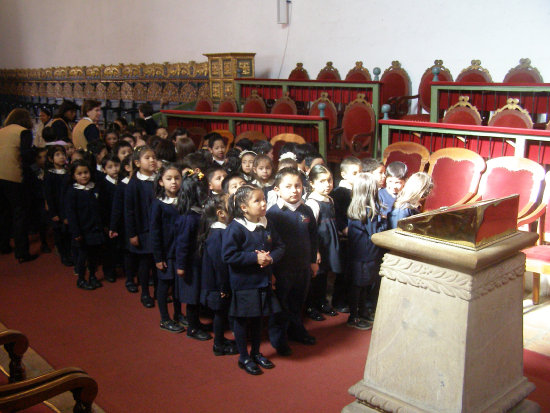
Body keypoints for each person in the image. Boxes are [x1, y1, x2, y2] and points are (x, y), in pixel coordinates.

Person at [222, 185, 284, 375]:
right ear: (243, 207)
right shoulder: (236, 228)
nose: (263, 203)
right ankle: (244, 356)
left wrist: (271, 258)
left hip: (263, 281)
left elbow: (281, 246)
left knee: (258, 319)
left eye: (263, 199)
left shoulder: (267, 222)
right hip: (244, 283)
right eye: (257, 201)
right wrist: (254, 258)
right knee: (242, 321)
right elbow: (228, 255)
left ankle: (256, 352)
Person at [267, 167, 318, 355]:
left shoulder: (307, 211)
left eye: (298, 185)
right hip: (282, 269)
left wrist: (313, 260)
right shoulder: (273, 214)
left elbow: (313, 237)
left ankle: (297, 331)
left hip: (302, 266)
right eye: (288, 186)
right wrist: (270, 272)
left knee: (298, 302)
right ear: (277, 190)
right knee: (281, 304)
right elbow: (269, 245)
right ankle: (278, 339)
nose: (294, 190)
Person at [346, 173, 388, 329]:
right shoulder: (369, 211)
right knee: (359, 287)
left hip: (360, 255)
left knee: (360, 286)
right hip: (365, 256)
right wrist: (383, 221)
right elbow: (375, 234)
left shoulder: (357, 208)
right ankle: (354, 317)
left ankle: (360, 313)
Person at [198, 195, 238, 356]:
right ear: (221, 213)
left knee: (222, 312)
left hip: (220, 283)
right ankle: (218, 345)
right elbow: (219, 263)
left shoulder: (221, 231)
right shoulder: (216, 234)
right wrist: (224, 285)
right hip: (217, 285)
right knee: (220, 314)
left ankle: (220, 339)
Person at [175, 172, 211, 341]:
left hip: (199, 261)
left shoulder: (199, 213)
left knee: (197, 296)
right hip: (190, 265)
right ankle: (193, 328)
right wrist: (181, 266)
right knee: (192, 297)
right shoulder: (189, 218)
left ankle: (196, 322)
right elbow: (182, 245)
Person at [150, 164, 186, 333]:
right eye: (169, 179)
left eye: (177, 178)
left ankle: (179, 314)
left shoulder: (184, 201)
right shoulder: (158, 204)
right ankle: (165, 318)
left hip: (180, 251)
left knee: (179, 286)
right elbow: (155, 232)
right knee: (165, 285)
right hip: (166, 252)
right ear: (161, 182)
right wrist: (158, 257)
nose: (173, 182)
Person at [0, 109, 38, 262]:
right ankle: (22, 252)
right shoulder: (24, 132)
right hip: (13, 175)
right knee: (19, 214)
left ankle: (3, 245)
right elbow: (26, 154)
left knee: (3, 212)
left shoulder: (2, 130)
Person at [304, 165, 340, 321]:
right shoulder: (312, 203)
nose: (327, 185)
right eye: (322, 181)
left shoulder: (330, 200)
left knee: (324, 275)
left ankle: (322, 302)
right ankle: (311, 305)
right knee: (315, 276)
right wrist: (315, 251)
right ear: (312, 183)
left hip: (329, 243)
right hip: (320, 245)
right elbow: (311, 231)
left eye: (330, 180)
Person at [125, 146, 158, 308]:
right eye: (147, 158)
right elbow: (129, 211)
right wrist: (132, 234)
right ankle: (145, 292)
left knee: (158, 262)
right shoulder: (134, 184)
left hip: (158, 229)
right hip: (143, 231)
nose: (152, 160)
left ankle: (159, 291)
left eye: (154, 157)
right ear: (137, 163)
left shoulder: (159, 179)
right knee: (145, 263)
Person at [65, 159, 105, 290]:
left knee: (94, 256)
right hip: (82, 231)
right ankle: (81, 279)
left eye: (86, 172)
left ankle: (92, 276)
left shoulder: (94, 187)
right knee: (83, 256)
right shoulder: (72, 192)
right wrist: (76, 232)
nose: (83, 176)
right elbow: (71, 214)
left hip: (95, 229)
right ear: (73, 176)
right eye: (80, 173)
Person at [330, 156, 361, 312]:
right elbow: (338, 215)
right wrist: (344, 229)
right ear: (344, 174)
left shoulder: (355, 191)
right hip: (345, 236)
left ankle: (348, 299)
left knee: (351, 270)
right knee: (343, 272)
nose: (358, 176)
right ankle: (339, 301)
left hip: (354, 235)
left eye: (359, 173)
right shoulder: (340, 193)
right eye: (354, 173)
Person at [109, 156, 138, 293]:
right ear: (127, 168)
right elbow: (117, 207)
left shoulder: (143, 182)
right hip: (126, 224)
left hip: (141, 222)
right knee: (129, 253)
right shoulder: (122, 185)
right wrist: (113, 226)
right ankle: (130, 278)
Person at [43, 145, 72, 265]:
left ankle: (70, 253)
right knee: (59, 232)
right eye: (57, 155)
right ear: (51, 159)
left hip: (67, 205)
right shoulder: (50, 175)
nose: (61, 157)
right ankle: (63, 254)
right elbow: (49, 195)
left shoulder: (68, 172)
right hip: (56, 207)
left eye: (63, 154)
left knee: (68, 232)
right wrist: (53, 212)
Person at [98, 153, 121, 283]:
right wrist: (106, 224)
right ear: (104, 169)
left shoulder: (122, 181)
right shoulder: (103, 185)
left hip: (120, 220)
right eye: (110, 167)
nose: (114, 169)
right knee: (109, 248)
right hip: (109, 221)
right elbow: (102, 207)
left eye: (116, 165)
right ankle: (109, 271)